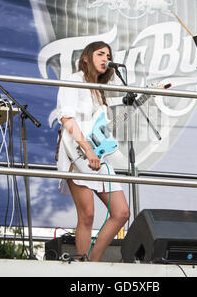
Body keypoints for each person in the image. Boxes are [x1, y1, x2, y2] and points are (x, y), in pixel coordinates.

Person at [55, 41, 130, 262]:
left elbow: (101, 126)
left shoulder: (99, 90)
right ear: (86, 57)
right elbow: (67, 118)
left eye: (108, 55)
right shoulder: (73, 80)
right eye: (100, 54)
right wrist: (87, 150)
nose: (105, 58)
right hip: (76, 152)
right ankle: (82, 267)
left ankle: (92, 262)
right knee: (87, 214)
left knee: (121, 212)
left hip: (97, 155)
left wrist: (146, 97)